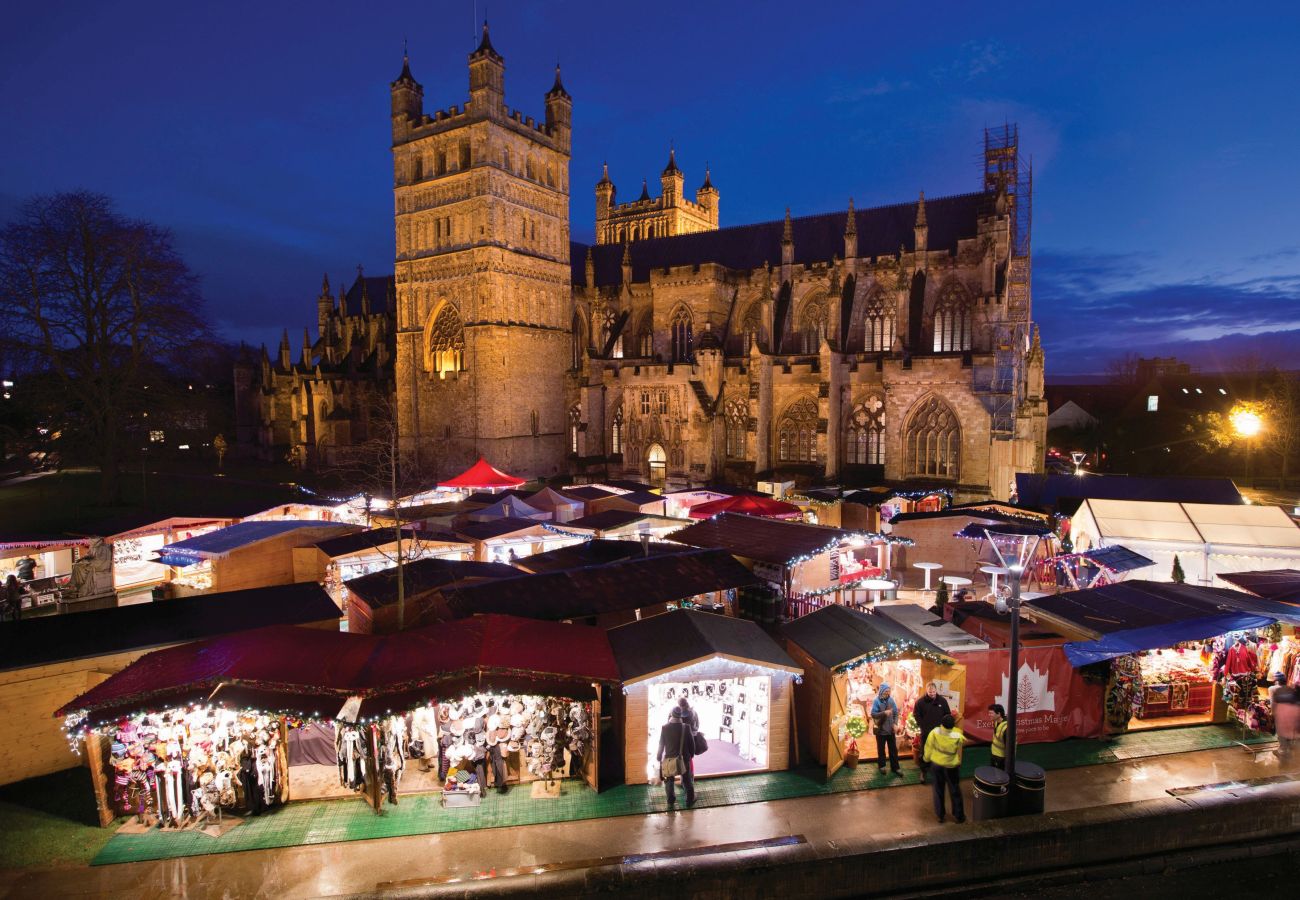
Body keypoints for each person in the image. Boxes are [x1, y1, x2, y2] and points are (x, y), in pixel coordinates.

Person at [923, 714, 966, 824]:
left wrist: (926, 759)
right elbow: (962, 741)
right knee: (955, 790)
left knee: (938, 790)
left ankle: (940, 815)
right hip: (951, 766)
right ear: (952, 725)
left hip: (937, 765)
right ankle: (959, 816)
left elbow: (928, 747)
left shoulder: (935, 732)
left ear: (941, 723)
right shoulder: (958, 733)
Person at [657, 707, 696, 807]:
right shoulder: (686, 727)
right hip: (684, 758)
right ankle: (689, 800)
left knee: (669, 780)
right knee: (687, 779)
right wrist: (690, 755)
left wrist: (659, 756)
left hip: (669, 758)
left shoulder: (665, 727)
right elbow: (692, 744)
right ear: (681, 716)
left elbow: (661, 744)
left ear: (671, 715)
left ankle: (671, 800)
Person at [912, 682, 951, 783]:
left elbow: (947, 714)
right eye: (930, 692)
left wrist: (944, 727)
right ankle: (923, 772)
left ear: (936, 690)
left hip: (939, 732)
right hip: (926, 732)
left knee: (939, 751)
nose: (932, 694)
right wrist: (922, 725)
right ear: (926, 691)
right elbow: (916, 715)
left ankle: (938, 771)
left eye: (934, 692)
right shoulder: (920, 702)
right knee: (924, 752)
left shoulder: (942, 701)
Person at [870, 683, 902, 776]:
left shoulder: (891, 700)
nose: (887, 693)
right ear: (881, 691)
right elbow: (873, 714)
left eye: (889, 691)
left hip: (891, 731)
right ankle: (882, 766)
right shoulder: (876, 701)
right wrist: (884, 713)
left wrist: (895, 724)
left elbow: (896, 713)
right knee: (881, 750)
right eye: (886, 691)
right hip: (880, 731)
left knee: (893, 750)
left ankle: (895, 767)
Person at [1274, 680, 1298, 765]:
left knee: (1283, 736)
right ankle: (1287, 752)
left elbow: (1274, 706)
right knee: (1289, 736)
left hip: (1284, 715)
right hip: (1292, 715)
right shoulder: (1294, 702)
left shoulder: (1279, 693)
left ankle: (1285, 754)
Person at [988, 704, 1009, 770]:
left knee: (1000, 777)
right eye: (989, 713)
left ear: (999, 714)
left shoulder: (1007, 728)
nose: (989, 715)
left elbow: (1010, 747)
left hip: (1002, 757)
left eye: (991, 713)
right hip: (994, 753)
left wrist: (1007, 760)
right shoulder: (996, 722)